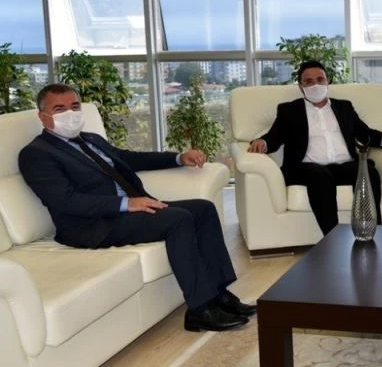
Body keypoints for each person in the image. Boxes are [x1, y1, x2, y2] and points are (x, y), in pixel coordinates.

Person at [19, 83, 255, 332]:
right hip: (92, 225)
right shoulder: (36, 154)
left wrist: (177, 158)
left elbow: (129, 158)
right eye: (60, 109)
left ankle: (219, 294)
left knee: (203, 209)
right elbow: (65, 201)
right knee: (178, 219)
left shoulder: (91, 139)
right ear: (43, 116)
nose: (70, 113)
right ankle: (200, 309)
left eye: (75, 106)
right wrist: (126, 204)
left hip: (128, 210)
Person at [248, 60, 382, 235]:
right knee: (320, 175)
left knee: (368, 172)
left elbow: (363, 132)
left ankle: (372, 233)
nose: (315, 85)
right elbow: (274, 137)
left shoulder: (344, 107)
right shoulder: (289, 110)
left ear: (328, 81)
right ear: (301, 86)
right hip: (306, 169)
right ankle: (333, 238)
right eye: (309, 81)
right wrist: (262, 142)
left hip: (344, 166)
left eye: (320, 79)